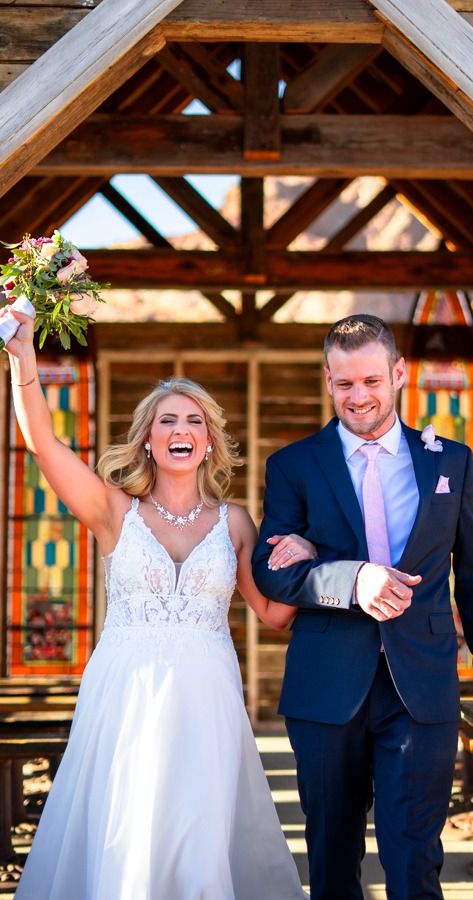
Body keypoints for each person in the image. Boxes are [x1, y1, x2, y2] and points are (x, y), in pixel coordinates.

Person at [4, 307, 311, 900]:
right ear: (149, 436)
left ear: (208, 440)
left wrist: (306, 558)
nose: (181, 428)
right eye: (167, 418)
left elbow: (274, 615)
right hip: (126, 695)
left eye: (194, 420)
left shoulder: (236, 522)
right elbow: (43, 446)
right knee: (128, 835)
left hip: (208, 698)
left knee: (199, 846)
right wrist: (23, 358)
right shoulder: (114, 512)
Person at [252, 313, 473, 900]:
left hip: (422, 687)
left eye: (372, 380)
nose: (359, 396)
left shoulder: (449, 460)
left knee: (414, 859)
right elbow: (271, 573)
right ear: (327, 379)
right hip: (325, 688)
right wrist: (353, 579)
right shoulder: (294, 465)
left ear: (398, 373)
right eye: (344, 383)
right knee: (331, 861)